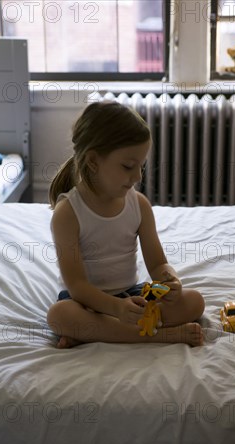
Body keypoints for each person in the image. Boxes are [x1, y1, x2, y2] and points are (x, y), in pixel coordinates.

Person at [47, 101, 205, 348]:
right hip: (86, 302)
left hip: (131, 295)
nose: (138, 177)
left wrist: (171, 281)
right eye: (128, 167)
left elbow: (157, 263)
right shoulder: (67, 213)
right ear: (93, 161)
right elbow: (77, 286)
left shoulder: (139, 205)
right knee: (60, 316)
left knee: (194, 301)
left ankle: (96, 333)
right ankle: (163, 335)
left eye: (140, 167)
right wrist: (115, 308)